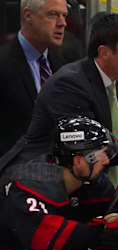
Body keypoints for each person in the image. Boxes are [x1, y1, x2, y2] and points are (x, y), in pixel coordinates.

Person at [1, 13, 118, 194]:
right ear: (104, 52)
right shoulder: (70, 85)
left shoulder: (116, 89)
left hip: (82, 185)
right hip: (36, 190)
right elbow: (89, 153)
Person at [0, 116, 118, 250]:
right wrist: (101, 232)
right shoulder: (26, 186)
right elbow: (45, 238)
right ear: (79, 162)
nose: (106, 161)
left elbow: (112, 216)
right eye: (102, 155)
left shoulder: (97, 184)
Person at [0, 0, 67, 157]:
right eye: (53, 14)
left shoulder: (65, 61)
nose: (62, 23)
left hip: (55, 172)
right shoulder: (3, 64)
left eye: (64, 15)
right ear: (28, 15)